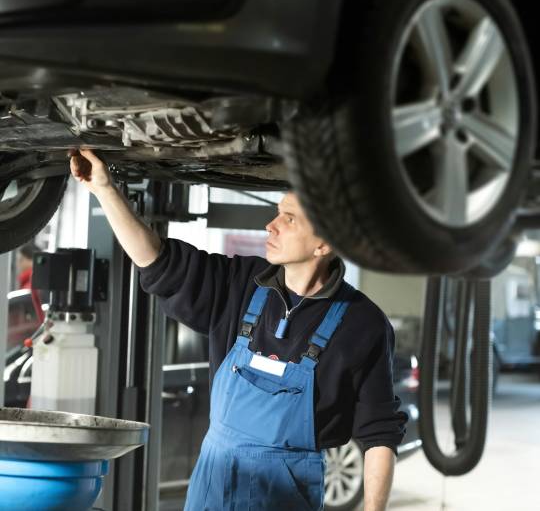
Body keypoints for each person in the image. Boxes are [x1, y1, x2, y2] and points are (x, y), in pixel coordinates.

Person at [70, 148, 409, 511]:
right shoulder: (242, 284)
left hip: (283, 497)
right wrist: (105, 189)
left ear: (324, 244)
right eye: (277, 213)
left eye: (289, 219)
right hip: (212, 485)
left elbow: (379, 435)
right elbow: (157, 263)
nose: (271, 225)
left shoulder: (362, 324)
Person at [16, 242, 45, 323]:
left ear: (32, 260)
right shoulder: (39, 282)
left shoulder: (30, 287)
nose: (18, 264)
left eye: (21, 260)